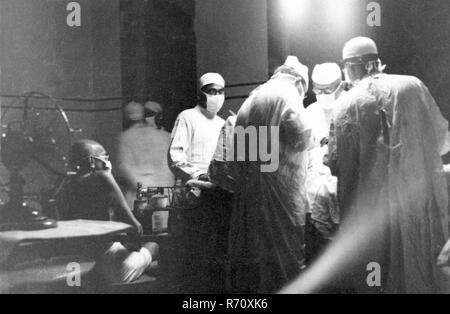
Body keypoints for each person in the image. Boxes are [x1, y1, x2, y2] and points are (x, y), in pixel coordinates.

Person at [325, 36, 450, 293]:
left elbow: (335, 163)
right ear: (376, 61)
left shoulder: (345, 105)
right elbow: (441, 141)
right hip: (417, 204)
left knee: (379, 276)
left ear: (352, 66)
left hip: (374, 216)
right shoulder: (412, 86)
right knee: (422, 271)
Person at [222, 56, 312, 293]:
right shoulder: (288, 94)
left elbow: (236, 160)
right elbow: (300, 136)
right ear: (300, 82)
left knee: (254, 264)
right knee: (285, 262)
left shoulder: (252, 99)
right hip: (280, 197)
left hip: (249, 197)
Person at [58, 139, 159, 284]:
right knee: (154, 245)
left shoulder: (66, 186)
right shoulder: (102, 177)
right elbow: (134, 226)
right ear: (92, 161)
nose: (108, 161)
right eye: (105, 157)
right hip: (111, 265)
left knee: (136, 256)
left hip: (82, 264)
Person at [168, 73, 226, 292]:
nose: (216, 96)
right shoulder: (187, 117)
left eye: (220, 92)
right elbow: (175, 158)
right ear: (200, 93)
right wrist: (199, 176)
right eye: (211, 91)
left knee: (213, 251)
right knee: (190, 251)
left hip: (216, 193)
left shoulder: (223, 123)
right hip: (191, 193)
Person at [304, 63, 344, 263]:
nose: (322, 94)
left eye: (327, 90)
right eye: (318, 90)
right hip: (313, 185)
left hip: (341, 183)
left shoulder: (350, 106)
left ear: (340, 86)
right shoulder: (310, 111)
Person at [116, 101, 174, 207]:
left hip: (138, 194)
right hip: (162, 192)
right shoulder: (164, 136)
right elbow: (168, 167)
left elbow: (124, 167)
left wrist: (144, 187)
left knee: (140, 222)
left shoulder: (125, 137)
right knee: (161, 222)